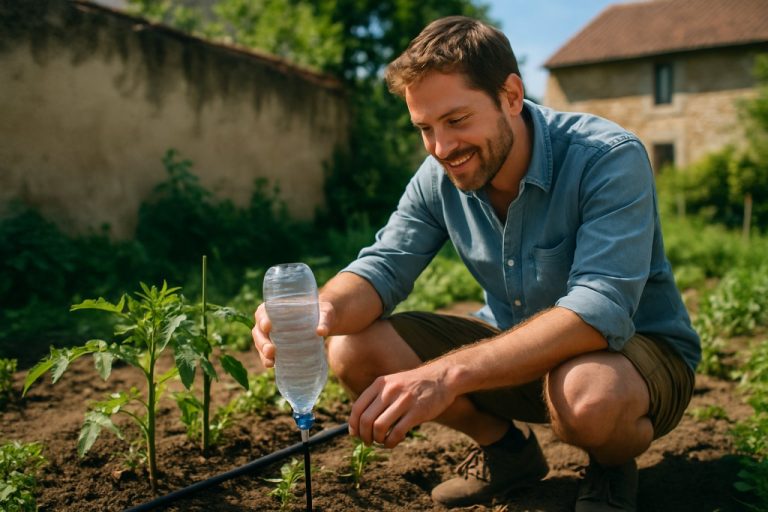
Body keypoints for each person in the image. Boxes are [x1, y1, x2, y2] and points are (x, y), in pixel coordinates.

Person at [252, 15, 700, 511]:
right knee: (354, 347)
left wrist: (445, 375)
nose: (441, 148)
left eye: (457, 120)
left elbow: (600, 310)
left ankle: (611, 465)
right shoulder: (438, 176)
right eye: (425, 128)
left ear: (511, 96)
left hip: (633, 358)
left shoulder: (605, 157)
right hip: (518, 354)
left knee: (588, 395)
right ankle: (507, 452)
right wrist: (324, 310)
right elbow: (384, 265)